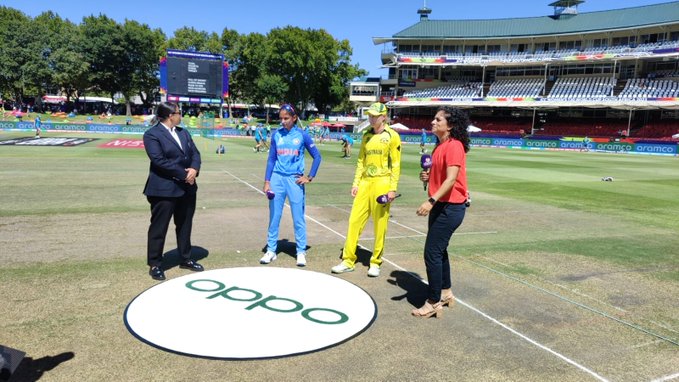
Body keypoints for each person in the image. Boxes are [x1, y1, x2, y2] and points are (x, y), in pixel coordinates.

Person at [412, 106, 470, 318]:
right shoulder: (439, 146)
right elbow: (440, 177)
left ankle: (433, 301)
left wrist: (430, 200)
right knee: (439, 250)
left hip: (450, 206)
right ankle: (445, 293)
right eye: (433, 119)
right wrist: (427, 178)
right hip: (441, 205)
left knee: (431, 253)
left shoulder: (454, 146)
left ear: (450, 125)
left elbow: (451, 179)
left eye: (438, 120)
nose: (433, 122)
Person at [332, 102, 401, 277]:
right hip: (365, 183)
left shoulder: (392, 136)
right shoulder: (366, 136)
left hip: (382, 183)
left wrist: (392, 189)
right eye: (369, 115)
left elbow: (396, 165)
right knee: (354, 221)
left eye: (374, 116)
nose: (371, 118)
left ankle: (376, 262)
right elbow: (361, 161)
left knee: (380, 225)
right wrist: (356, 183)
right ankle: (348, 260)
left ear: (383, 117)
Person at [143, 102, 204, 281]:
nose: (181, 116)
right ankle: (155, 264)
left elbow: (195, 153)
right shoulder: (152, 135)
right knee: (159, 228)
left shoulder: (183, 132)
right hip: (163, 189)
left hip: (187, 188)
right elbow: (159, 161)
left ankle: (185, 258)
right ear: (170, 116)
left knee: (185, 225)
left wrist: (194, 169)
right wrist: (184, 174)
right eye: (178, 113)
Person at [260, 104, 322, 267]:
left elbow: (317, 156)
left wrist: (309, 177)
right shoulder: (276, 135)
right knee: (274, 216)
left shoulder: (302, 135)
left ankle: (300, 251)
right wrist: (267, 181)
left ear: (294, 118)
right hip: (277, 179)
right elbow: (272, 159)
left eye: (286, 118)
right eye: (280, 118)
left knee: (298, 217)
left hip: (295, 180)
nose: (283, 121)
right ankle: (271, 250)